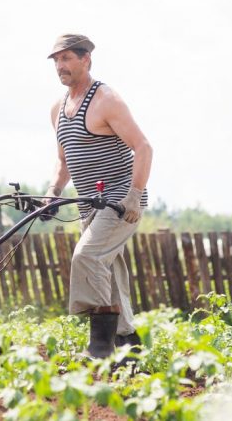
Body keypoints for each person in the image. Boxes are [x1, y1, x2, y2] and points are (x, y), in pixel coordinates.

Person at [45, 34, 153, 359]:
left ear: (85, 60)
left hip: (120, 198)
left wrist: (134, 195)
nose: (60, 66)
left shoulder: (106, 100)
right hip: (88, 204)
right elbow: (65, 161)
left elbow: (144, 147)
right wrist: (53, 191)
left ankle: (100, 347)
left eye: (67, 59)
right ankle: (128, 342)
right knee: (109, 269)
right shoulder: (58, 109)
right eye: (56, 60)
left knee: (88, 257)